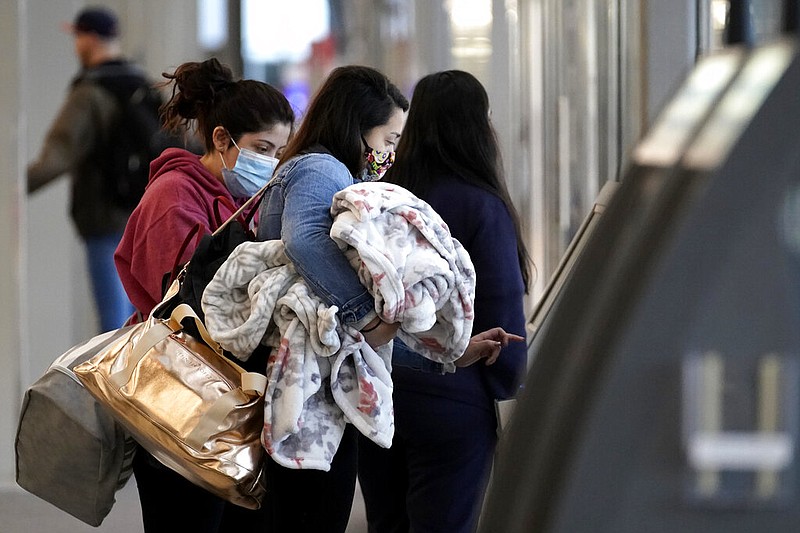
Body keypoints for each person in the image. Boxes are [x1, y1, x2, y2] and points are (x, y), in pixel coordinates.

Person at [114, 57, 294, 533]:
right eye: (262, 148)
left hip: (224, 401)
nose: (272, 163)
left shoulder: (242, 200)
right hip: (178, 397)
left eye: (280, 152)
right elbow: (184, 303)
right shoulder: (172, 197)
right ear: (221, 139)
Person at [356, 70, 531, 533]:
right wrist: (510, 385)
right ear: (479, 127)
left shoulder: (386, 197)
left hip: (378, 396)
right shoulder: (481, 206)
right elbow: (503, 310)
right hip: (453, 402)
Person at [28, 6, 143, 332]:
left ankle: (114, 384)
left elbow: (59, 155)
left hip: (105, 218)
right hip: (144, 217)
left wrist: (13, 184)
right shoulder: (141, 84)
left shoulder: (90, 92)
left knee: (112, 327)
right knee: (141, 323)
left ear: (88, 38)